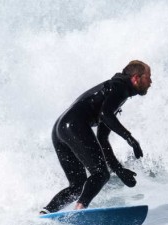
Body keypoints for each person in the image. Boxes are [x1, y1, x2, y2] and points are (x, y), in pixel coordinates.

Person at [40, 60, 152, 214]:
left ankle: (46, 212)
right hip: (73, 125)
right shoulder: (120, 87)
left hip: (60, 129)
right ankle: (79, 210)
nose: (151, 82)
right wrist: (130, 139)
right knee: (100, 174)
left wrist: (118, 170)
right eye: (148, 77)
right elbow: (105, 115)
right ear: (136, 78)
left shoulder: (112, 91)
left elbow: (102, 139)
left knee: (78, 186)